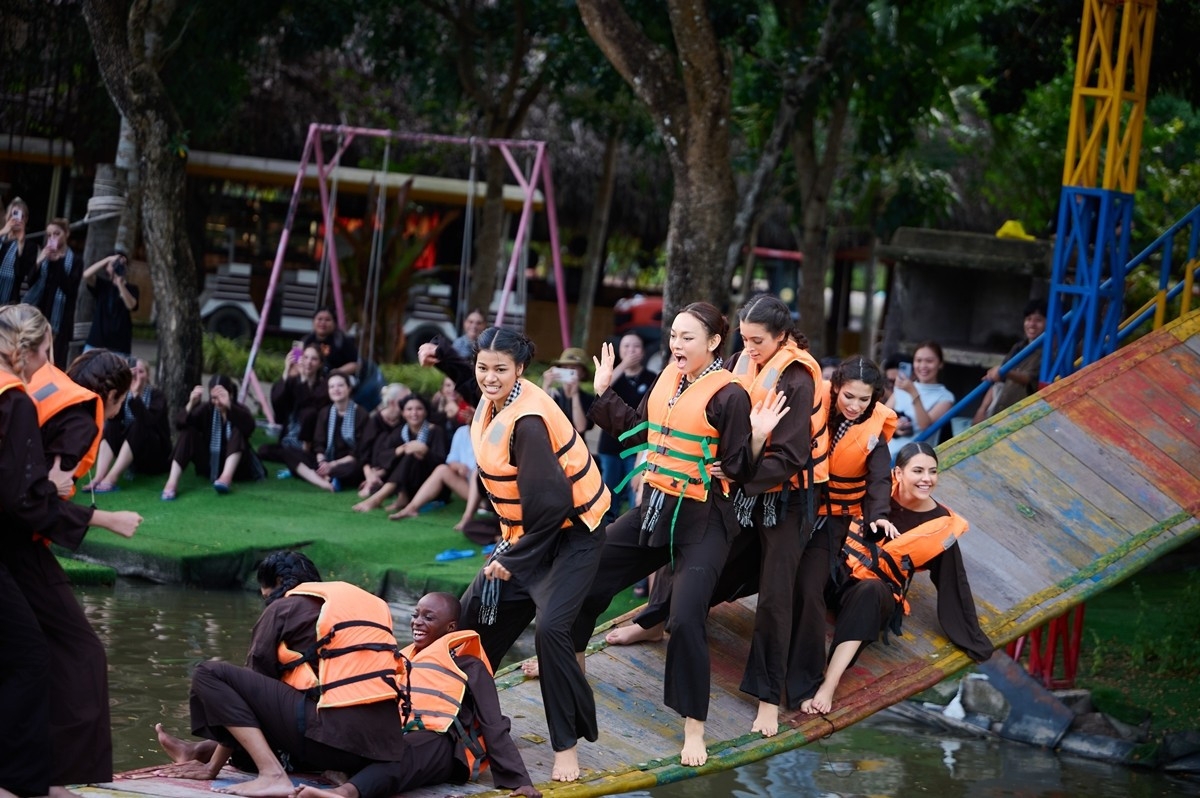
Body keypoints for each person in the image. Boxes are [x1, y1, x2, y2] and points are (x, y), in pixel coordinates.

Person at [571, 302, 787, 768]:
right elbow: (639, 433)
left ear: (713, 344)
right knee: (588, 571)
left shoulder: (730, 395)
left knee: (686, 617)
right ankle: (575, 663)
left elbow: (738, 471)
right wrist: (604, 391)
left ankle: (694, 727)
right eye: (673, 335)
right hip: (656, 508)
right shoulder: (668, 376)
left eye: (688, 337)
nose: (676, 344)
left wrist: (754, 438)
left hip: (704, 519)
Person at [449, 326, 610, 783]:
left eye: (500, 369)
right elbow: (471, 385)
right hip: (528, 535)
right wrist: (444, 356)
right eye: (482, 367)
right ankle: (460, 722)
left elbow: (556, 505)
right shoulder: (493, 398)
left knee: (551, 631)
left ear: (520, 369)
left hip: (574, 536)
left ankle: (567, 747)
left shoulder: (529, 423)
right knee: (474, 616)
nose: (489, 378)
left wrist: (514, 560)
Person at [0, 304, 143, 796]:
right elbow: (36, 499)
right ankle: (39, 778)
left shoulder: (28, 393)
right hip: (17, 543)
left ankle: (38, 775)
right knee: (71, 652)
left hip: (14, 540)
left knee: (34, 654)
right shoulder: (75, 411)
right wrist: (107, 518)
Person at [154, 554, 415, 798]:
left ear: (279, 583)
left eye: (264, 594)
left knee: (208, 674)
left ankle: (272, 774)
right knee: (249, 745)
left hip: (332, 741)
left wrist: (213, 768)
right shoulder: (360, 608)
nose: (265, 601)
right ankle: (197, 751)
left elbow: (243, 700)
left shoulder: (285, 607)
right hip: (378, 750)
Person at [801, 441, 994, 715]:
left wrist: (973, 640)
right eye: (918, 471)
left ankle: (828, 685)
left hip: (873, 595)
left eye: (933, 471)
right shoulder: (875, 493)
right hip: (836, 574)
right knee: (809, 564)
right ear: (898, 473)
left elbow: (955, 585)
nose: (926, 479)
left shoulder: (940, 524)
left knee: (870, 592)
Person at [291, 592, 542, 798]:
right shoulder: (402, 657)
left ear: (450, 627)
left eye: (428, 617)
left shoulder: (469, 665)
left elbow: (492, 722)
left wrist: (519, 779)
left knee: (403, 753)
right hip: (398, 734)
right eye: (416, 615)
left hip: (442, 745)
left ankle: (345, 793)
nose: (417, 622)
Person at [785, 355, 897, 709]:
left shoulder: (874, 431)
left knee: (809, 588)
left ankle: (804, 684)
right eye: (849, 396)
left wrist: (877, 514)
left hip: (832, 521)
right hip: (791, 507)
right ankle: (658, 618)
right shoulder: (814, 403)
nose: (855, 406)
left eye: (865, 400)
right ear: (836, 389)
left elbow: (879, 478)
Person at [161, 374, 265, 499]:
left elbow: (249, 427)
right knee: (188, 432)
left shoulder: (239, 409)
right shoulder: (207, 409)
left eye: (221, 396)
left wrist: (229, 406)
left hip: (238, 469)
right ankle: (171, 483)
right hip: (210, 463)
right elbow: (180, 424)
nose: (217, 402)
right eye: (214, 398)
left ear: (230, 394)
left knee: (238, 429)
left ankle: (225, 479)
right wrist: (191, 403)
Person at [85, 356, 172, 491]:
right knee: (112, 425)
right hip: (133, 449)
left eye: (141, 372)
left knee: (139, 424)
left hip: (155, 454)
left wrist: (135, 395)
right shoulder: (124, 395)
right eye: (133, 372)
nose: (136, 376)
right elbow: (114, 419)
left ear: (148, 375)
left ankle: (111, 478)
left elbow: (148, 422)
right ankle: (99, 477)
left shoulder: (157, 396)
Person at [594, 333, 656, 516]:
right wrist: (621, 366)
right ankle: (604, 536)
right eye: (626, 346)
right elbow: (601, 392)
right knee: (608, 495)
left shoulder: (651, 377)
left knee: (634, 494)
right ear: (619, 351)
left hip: (637, 446)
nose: (631, 351)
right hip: (610, 446)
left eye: (636, 346)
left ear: (643, 352)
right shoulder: (612, 376)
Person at [354, 394, 447, 515]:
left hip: (430, 485)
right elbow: (381, 457)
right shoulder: (401, 431)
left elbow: (442, 463)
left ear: (425, 412)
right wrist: (400, 449)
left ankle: (378, 498)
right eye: (409, 409)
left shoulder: (435, 431)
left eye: (419, 409)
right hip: (408, 482)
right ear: (403, 413)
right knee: (408, 452)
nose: (414, 413)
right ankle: (401, 495)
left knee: (412, 454)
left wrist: (425, 452)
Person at [280, 372, 367, 493]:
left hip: (346, 462)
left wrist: (332, 465)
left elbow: (358, 452)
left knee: (356, 468)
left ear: (349, 389)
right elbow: (318, 444)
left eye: (340, 385)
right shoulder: (325, 412)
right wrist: (322, 462)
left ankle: (312, 475)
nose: (336, 389)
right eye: (332, 387)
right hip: (326, 459)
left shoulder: (361, 414)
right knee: (289, 452)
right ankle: (324, 482)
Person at [388, 424, 482, 529]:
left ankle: (467, 517)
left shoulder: (493, 429)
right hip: (469, 487)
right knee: (441, 469)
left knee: (477, 472)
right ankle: (411, 508)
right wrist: (458, 466)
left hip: (489, 491)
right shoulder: (461, 431)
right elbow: (451, 459)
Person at [972, 298, 1048, 424]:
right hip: (1000, 412)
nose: (1032, 324)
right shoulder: (1018, 347)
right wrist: (982, 409)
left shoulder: (1049, 352)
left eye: (1038, 320)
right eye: (1028, 319)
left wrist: (1004, 372)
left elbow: (1029, 379)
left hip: (1021, 419)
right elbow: (997, 381)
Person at [23, 217, 82, 368]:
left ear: (66, 234)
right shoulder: (45, 257)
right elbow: (30, 282)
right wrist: (39, 261)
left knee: (55, 362)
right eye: (49, 235)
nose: (52, 238)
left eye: (56, 234)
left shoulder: (74, 260)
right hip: (39, 316)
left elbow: (70, 290)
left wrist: (59, 262)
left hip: (60, 322)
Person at [257, 345, 329, 463]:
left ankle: (301, 456)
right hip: (288, 439)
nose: (308, 362)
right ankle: (292, 457)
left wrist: (304, 380)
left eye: (314, 359)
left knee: (309, 413)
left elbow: (309, 408)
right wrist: (286, 371)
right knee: (263, 450)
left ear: (320, 364)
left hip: (307, 444)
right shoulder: (293, 381)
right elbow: (277, 401)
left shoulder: (324, 386)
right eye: (305, 357)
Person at [302, 308, 383, 408]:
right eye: (319, 319)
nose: (323, 323)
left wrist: (335, 373)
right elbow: (296, 358)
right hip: (321, 379)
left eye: (327, 320)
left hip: (349, 378)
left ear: (334, 323)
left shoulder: (342, 340)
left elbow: (356, 364)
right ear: (313, 322)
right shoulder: (306, 340)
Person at [886, 341, 954, 455]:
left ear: (940, 364)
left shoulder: (945, 397)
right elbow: (881, 418)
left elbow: (925, 426)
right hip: (887, 454)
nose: (923, 366)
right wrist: (896, 427)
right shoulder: (902, 386)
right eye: (918, 360)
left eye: (929, 361)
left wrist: (913, 393)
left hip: (913, 459)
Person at [355, 382, 409, 501]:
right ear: (392, 402)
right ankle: (371, 482)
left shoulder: (405, 422)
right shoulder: (375, 419)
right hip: (371, 465)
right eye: (405, 400)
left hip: (392, 467)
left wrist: (378, 474)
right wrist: (370, 475)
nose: (408, 404)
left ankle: (375, 481)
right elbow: (364, 451)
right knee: (382, 438)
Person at [82, 251, 139, 355]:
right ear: (106, 267)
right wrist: (108, 259)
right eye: (114, 264)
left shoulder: (132, 289)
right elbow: (86, 275)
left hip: (120, 345)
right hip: (96, 342)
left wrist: (120, 284)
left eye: (122, 263)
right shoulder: (102, 285)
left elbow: (131, 305)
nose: (117, 265)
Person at [541, 347, 594, 435]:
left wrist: (575, 394)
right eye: (565, 367)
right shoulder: (553, 394)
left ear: (583, 373)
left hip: (577, 446)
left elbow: (580, 428)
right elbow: (540, 415)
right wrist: (546, 385)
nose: (568, 371)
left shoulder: (589, 399)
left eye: (573, 368)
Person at [0, 197, 37, 305]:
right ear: (6, 216)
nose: (16, 219)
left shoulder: (30, 247)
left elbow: (22, 273)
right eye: (13, 214)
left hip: (10, 299)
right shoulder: (1, 237)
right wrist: (3, 232)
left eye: (20, 216)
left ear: (25, 219)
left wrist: (21, 242)